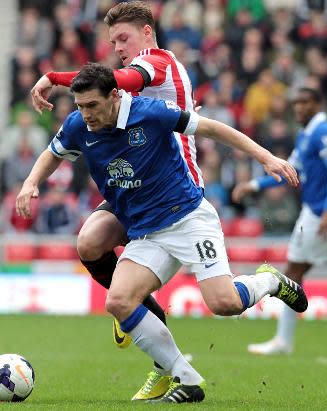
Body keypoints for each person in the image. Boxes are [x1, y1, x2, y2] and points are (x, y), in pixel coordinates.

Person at [17, 63, 307, 403]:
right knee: (119, 301)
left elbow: (212, 128)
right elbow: (52, 154)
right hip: (147, 232)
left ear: (115, 95)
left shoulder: (150, 113)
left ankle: (271, 281)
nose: (86, 115)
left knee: (224, 303)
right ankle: (186, 378)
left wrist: (265, 157)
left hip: (187, 218)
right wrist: (31, 182)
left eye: (92, 106)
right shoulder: (79, 124)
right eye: (80, 107)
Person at [30, 1, 204, 399]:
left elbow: (117, 81)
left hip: (172, 190)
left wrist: (53, 77)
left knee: (220, 299)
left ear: (146, 31)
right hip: (138, 183)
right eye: (112, 41)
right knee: (90, 243)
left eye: (123, 38)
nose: (118, 47)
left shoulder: (154, 61)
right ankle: (139, 314)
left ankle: (150, 336)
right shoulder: (149, 70)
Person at [233, 87, 327, 357]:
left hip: (320, 215)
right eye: (296, 103)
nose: (298, 108)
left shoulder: (322, 131)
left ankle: (283, 341)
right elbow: (290, 172)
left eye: (304, 103)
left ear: (317, 103)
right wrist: (255, 184)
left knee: (291, 274)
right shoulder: (306, 134)